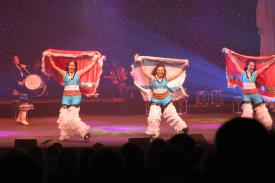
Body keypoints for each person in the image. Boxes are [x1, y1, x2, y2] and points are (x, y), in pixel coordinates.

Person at [135, 54, 189, 138]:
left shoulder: (166, 79)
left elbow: (177, 74)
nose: (161, 71)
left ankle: (183, 128)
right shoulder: (152, 78)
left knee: (173, 115)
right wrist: (141, 62)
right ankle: (153, 133)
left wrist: (184, 67)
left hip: (166, 101)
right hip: (156, 101)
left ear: (164, 71)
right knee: (153, 117)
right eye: (159, 70)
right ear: (156, 71)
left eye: (162, 70)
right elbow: (144, 71)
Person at [48, 54, 99, 141]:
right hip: (66, 97)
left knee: (73, 117)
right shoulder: (64, 73)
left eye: (73, 65)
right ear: (68, 66)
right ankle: (65, 135)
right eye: (70, 65)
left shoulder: (78, 73)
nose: (72, 66)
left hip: (76, 97)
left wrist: (95, 61)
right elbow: (53, 66)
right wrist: (49, 56)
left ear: (75, 66)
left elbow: (89, 67)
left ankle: (85, 134)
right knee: (63, 116)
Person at [222, 48, 274, 129]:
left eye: (253, 66)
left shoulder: (255, 73)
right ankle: (246, 128)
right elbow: (235, 63)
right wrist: (229, 53)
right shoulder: (243, 73)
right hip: (246, 95)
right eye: (250, 65)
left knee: (262, 110)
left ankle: (268, 126)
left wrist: (272, 60)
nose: (252, 67)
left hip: (255, 94)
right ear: (247, 66)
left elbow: (265, 67)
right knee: (247, 112)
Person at [10, 55, 33, 125]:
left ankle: (19, 118)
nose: (17, 60)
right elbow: (11, 77)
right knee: (24, 101)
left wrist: (25, 68)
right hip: (18, 86)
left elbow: (28, 74)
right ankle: (23, 119)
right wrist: (18, 82)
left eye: (17, 59)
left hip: (23, 86)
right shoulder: (12, 68)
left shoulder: (20, 67)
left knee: (25, 101)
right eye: (15, 59)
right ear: (12, 61)